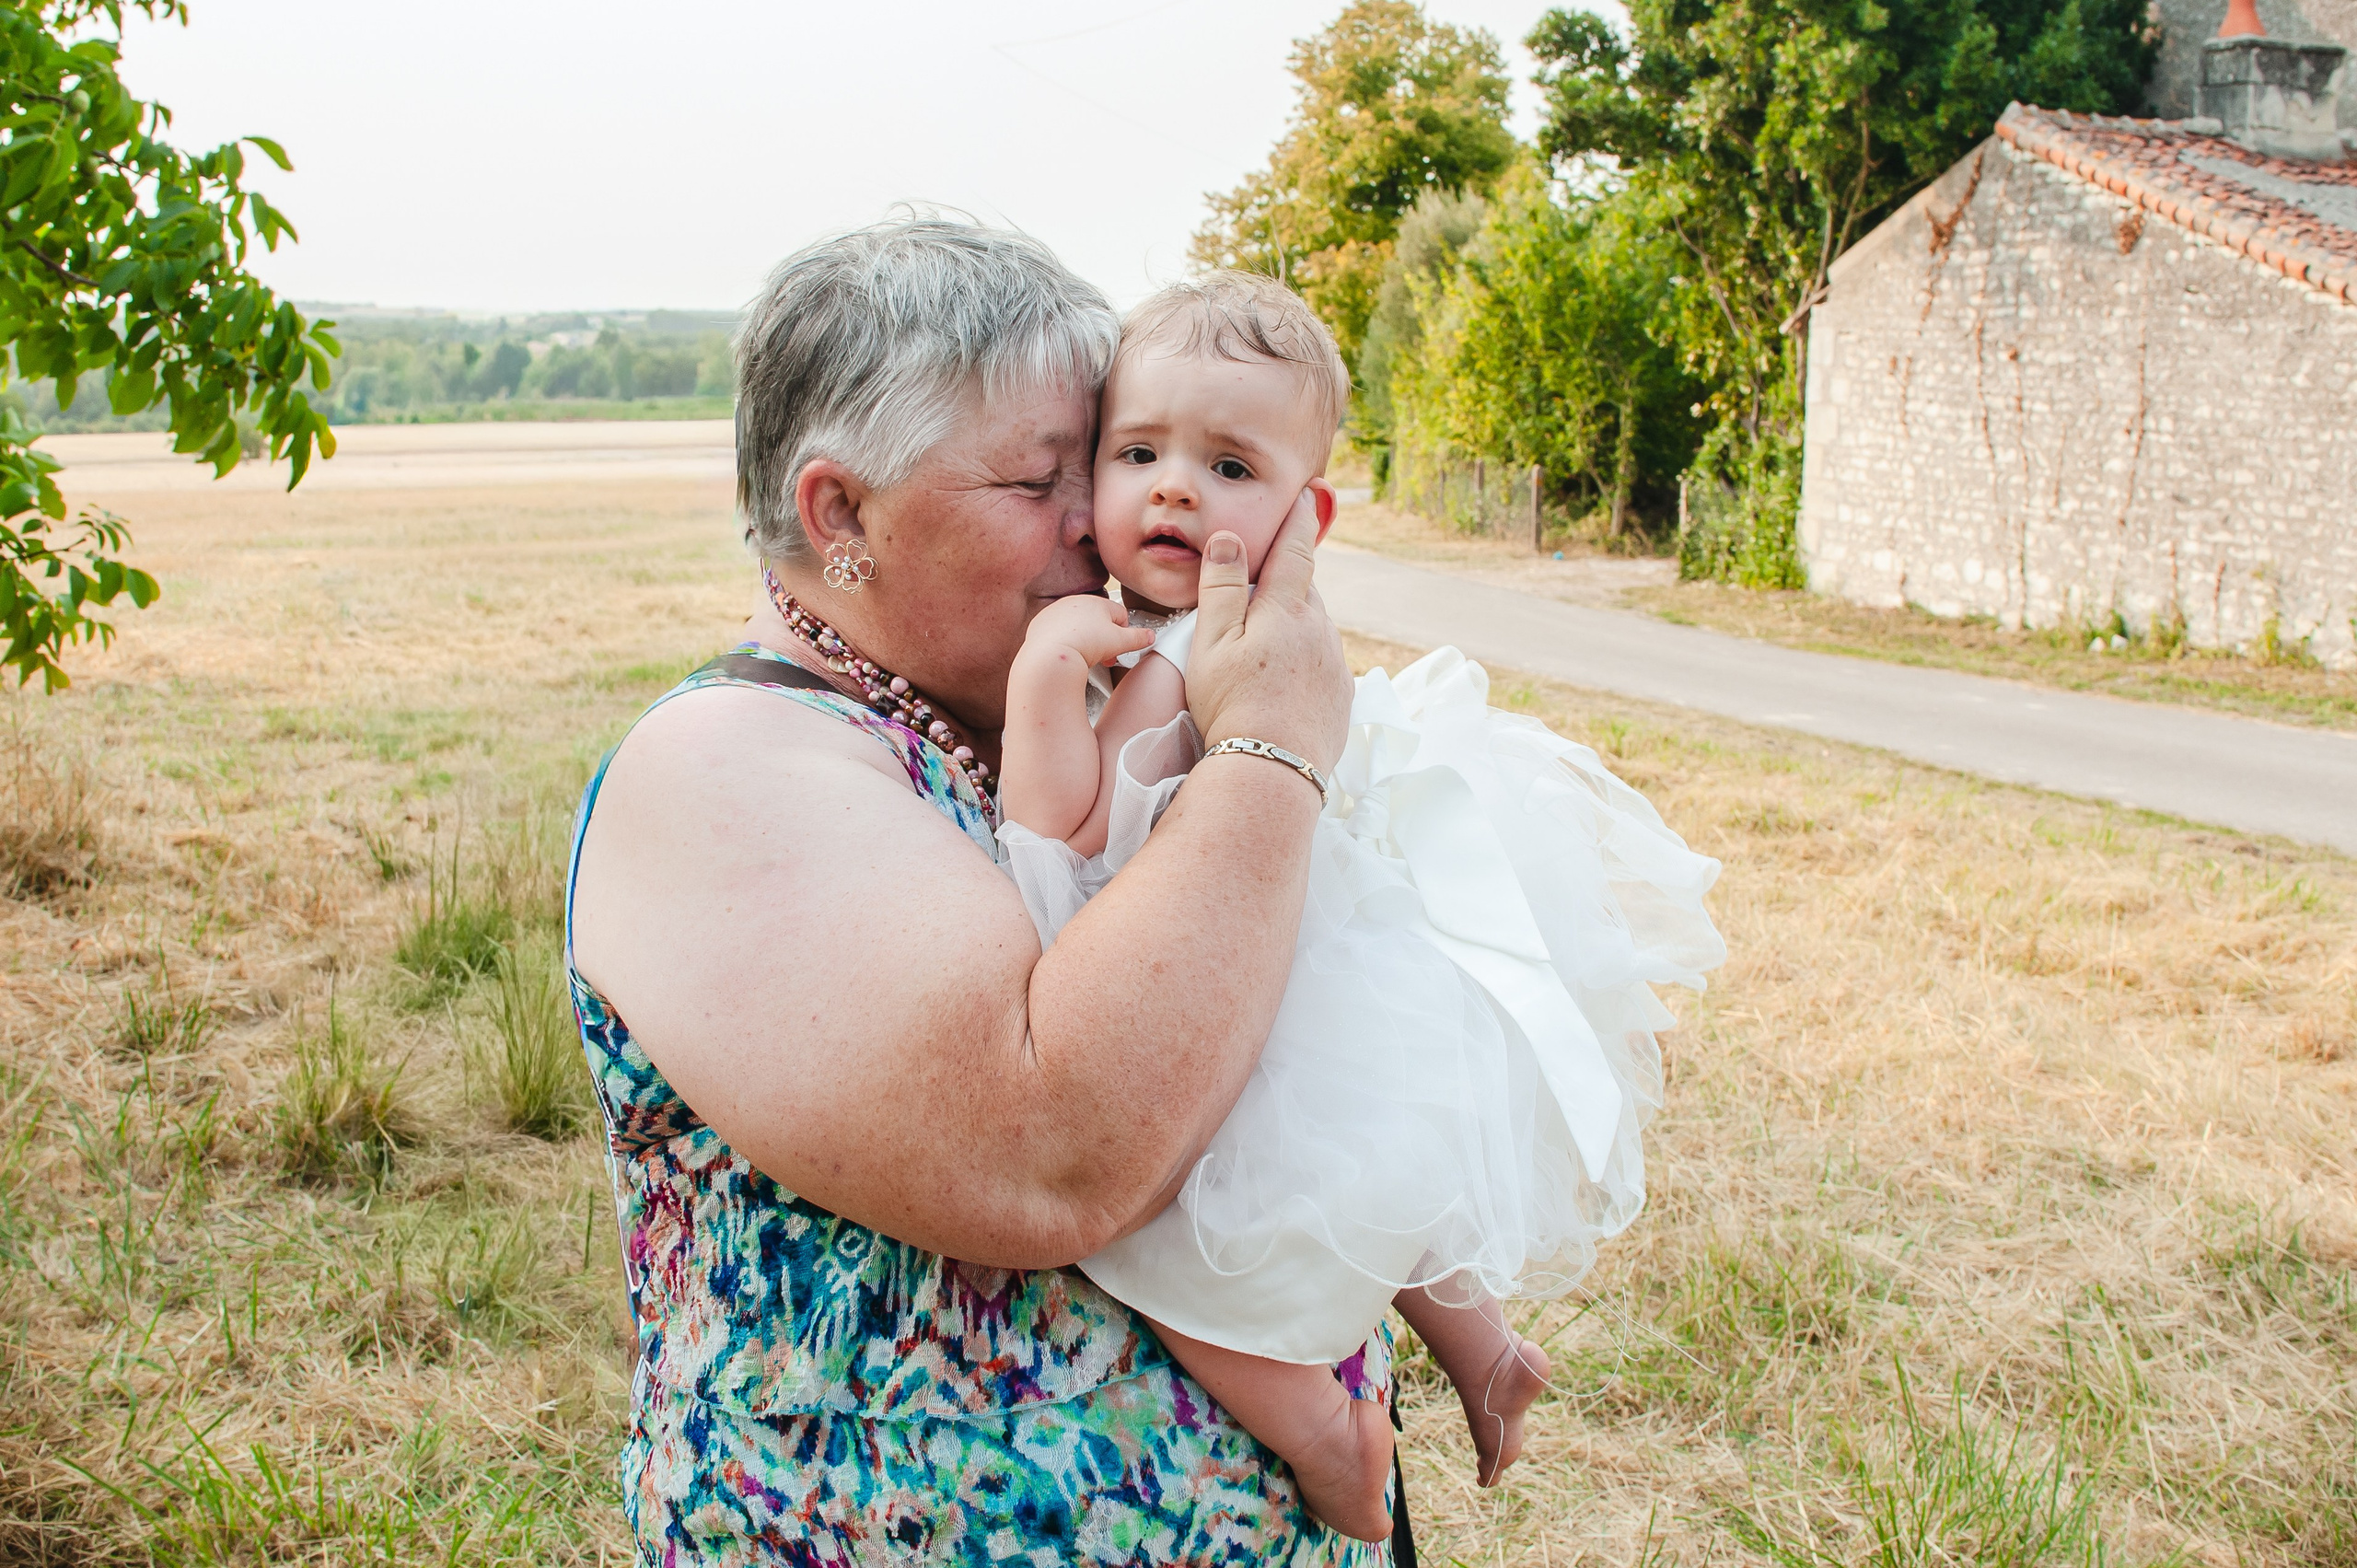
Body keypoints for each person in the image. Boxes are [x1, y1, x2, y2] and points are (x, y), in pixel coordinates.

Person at [565, 215, 1400, 1565]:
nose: (1102, 518)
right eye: (1038, 479)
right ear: (842, 516)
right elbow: (1058, 1152)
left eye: (1101, 456)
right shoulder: (728, 765)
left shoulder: (1023, 711)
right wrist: (1272, 748)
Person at [995, 273, 1727, 1540]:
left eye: (1229, 466)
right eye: (1140, 452)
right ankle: (1483, 1344)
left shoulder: (1177, 650)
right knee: (1377, 1164)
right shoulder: (1250, 634)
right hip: (1326, 961)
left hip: (1234, 986)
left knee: (1161, 1244)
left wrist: (1039, 685)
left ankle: (1324, 1433)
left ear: (1305, 517)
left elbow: (1064, 840)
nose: (1174, 489)